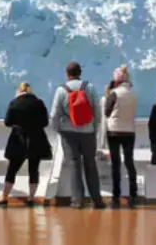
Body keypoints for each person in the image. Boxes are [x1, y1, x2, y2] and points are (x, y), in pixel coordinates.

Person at [49, 62, 106, 209]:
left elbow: (55, 114)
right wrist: (95, 128)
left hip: (68, 134)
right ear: (80, 72)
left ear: (67, 74)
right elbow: (98, 111)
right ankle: (97, 200)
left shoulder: (61, 90)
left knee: (74, 165)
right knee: (90, 165)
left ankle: (77, 201)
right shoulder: (90, 87)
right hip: (88, 132)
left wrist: (57, 130)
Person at [0, 82, 51, 207]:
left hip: (18, 138)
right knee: (34, 169)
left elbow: (8, 122)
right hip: (36, 138)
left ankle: (4, 196)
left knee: (12, 168)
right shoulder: (39, 103)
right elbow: (45, 122)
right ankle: (31, 197)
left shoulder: (14, 103)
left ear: (19, 91)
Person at [103, 66, 138, 207]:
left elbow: (106, 112)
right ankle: (133, 194)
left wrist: (108, 95)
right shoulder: (133, 94)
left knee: (116, 164)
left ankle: (116, 195)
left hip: (114, 131)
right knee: (130, 162)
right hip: (129, 131)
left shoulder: (114, 94)